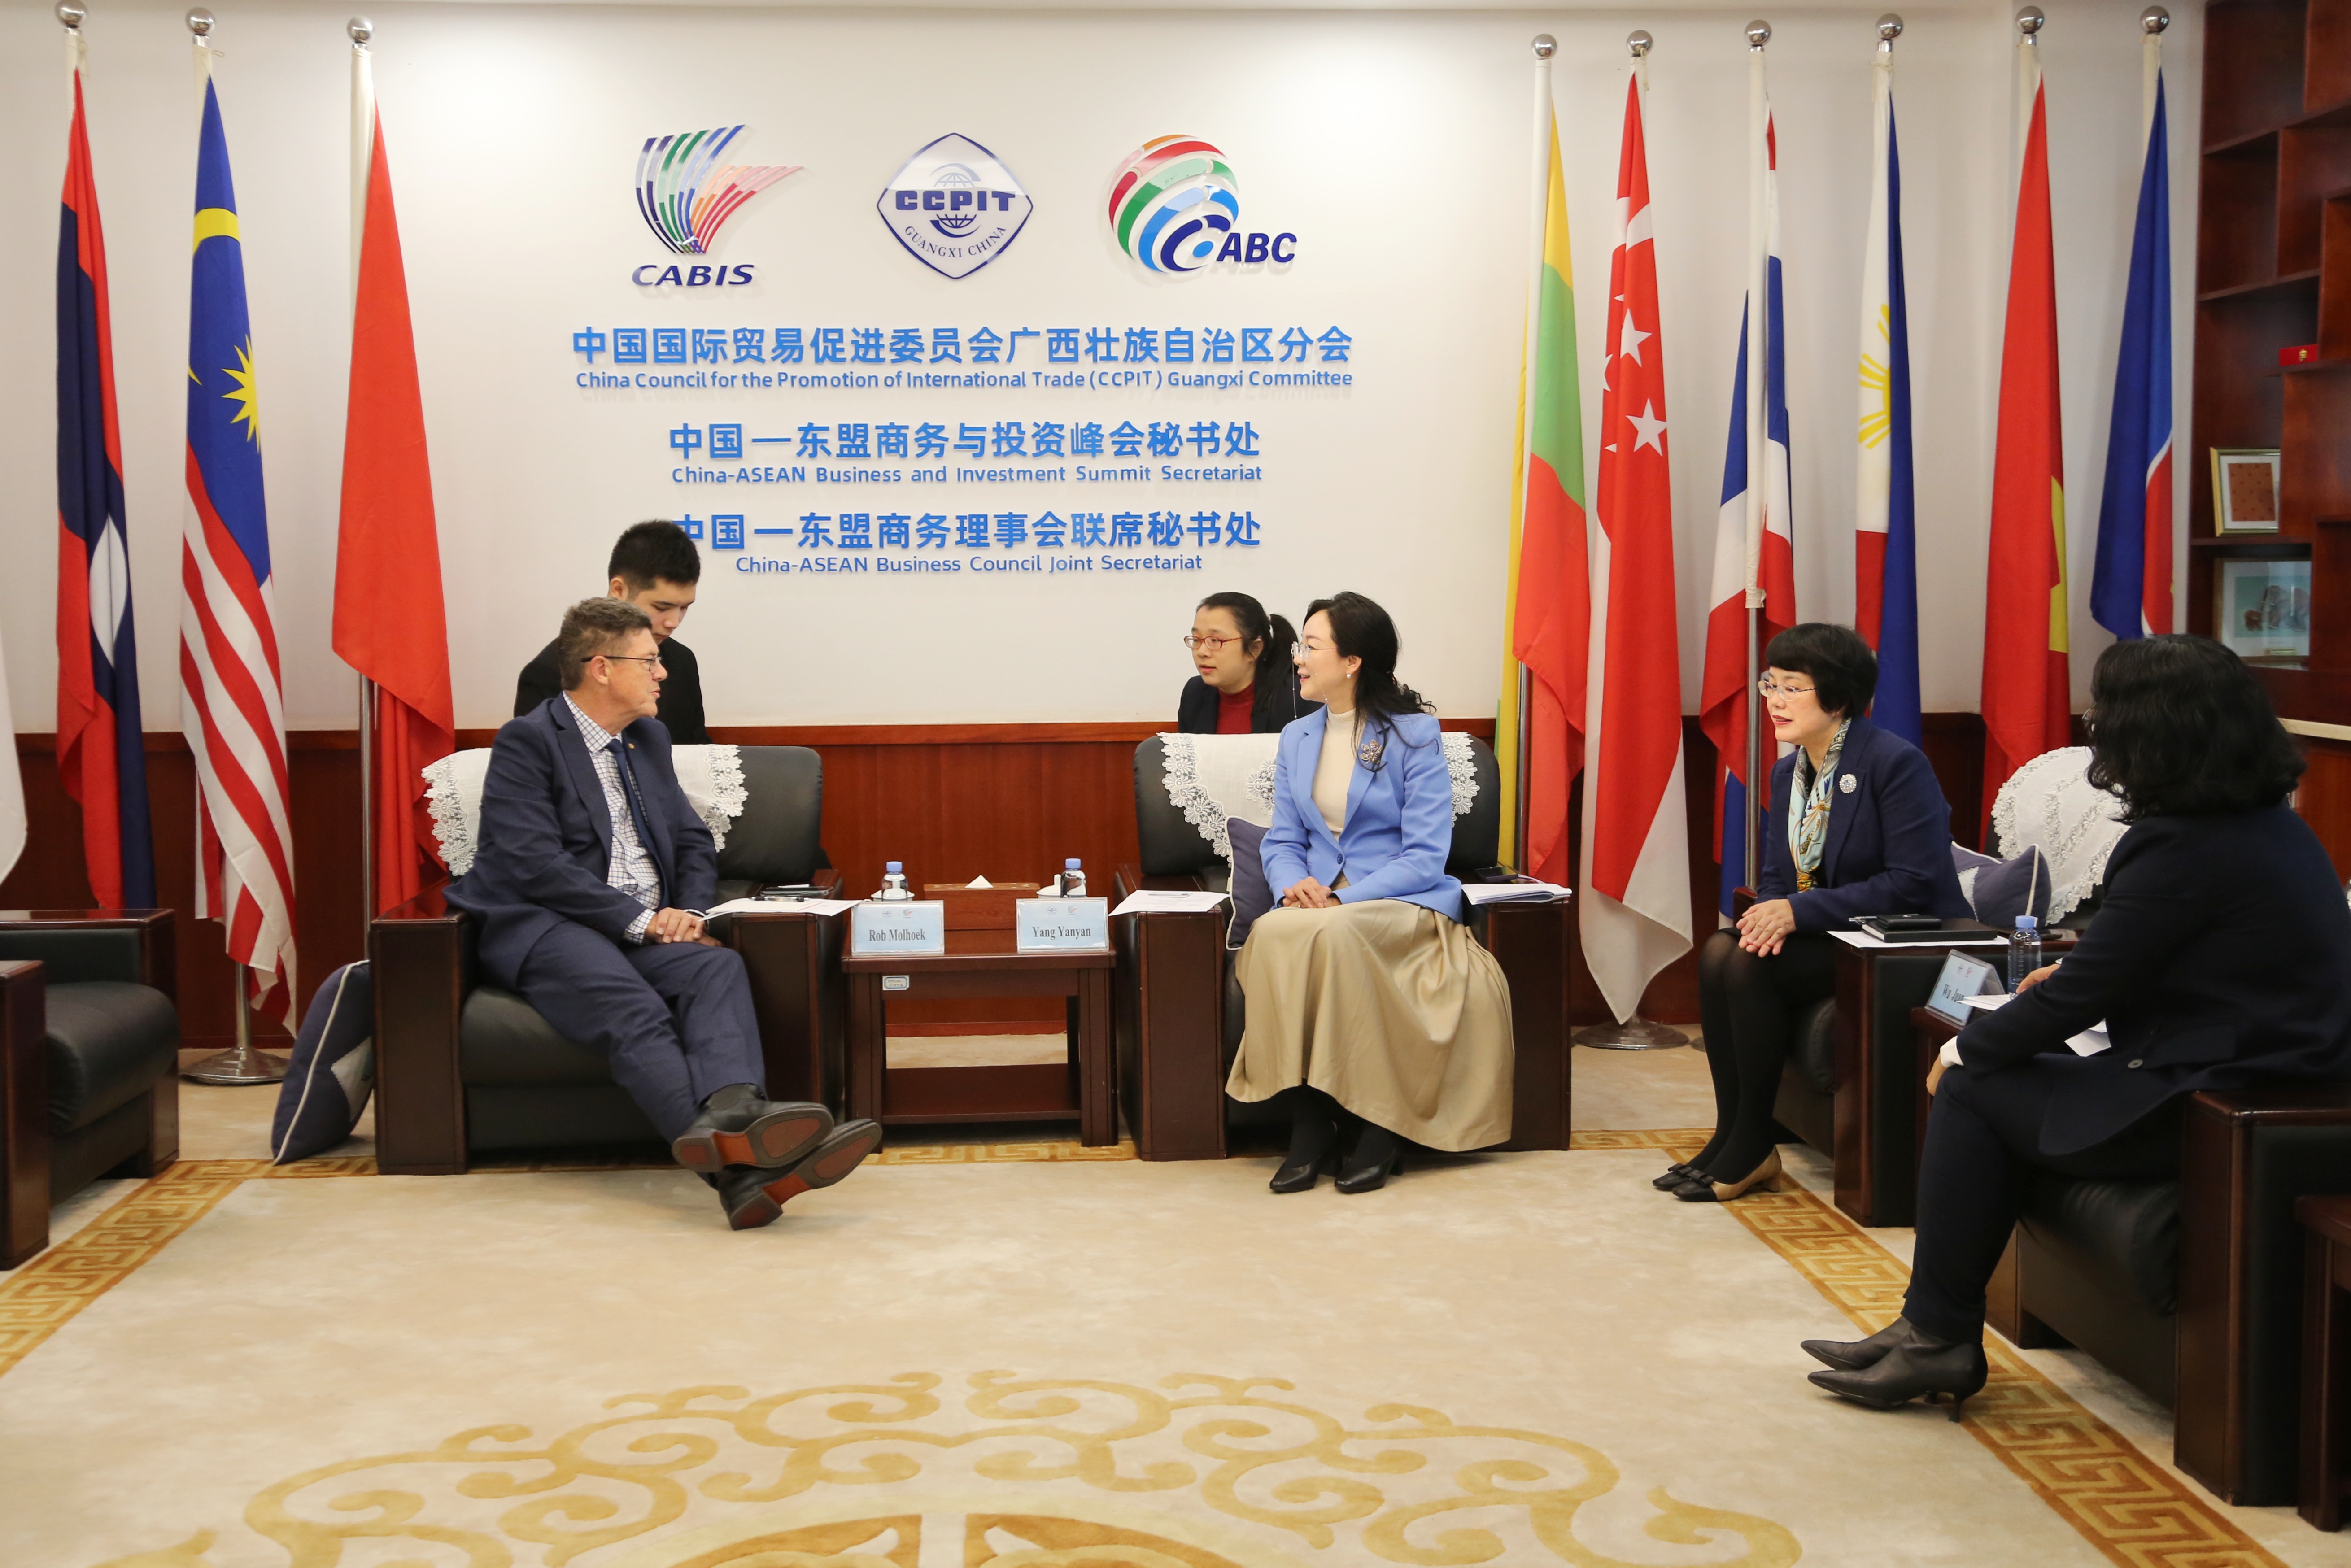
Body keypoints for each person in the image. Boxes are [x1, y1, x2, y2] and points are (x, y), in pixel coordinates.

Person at [1802, 635, 2351, 1416]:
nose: (2097, 728)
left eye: (2106, 712)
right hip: (2246, 1061)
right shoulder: (2259, 821)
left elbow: (2080, 999)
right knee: (1992, 1079)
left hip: (2219, 1093)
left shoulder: (2183, 843)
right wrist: (2073, 977)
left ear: (2151, 728)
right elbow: (2176, 954)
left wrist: (1963, 1046)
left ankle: (1937, 1337)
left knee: (1972, 1087)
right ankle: (1927, 1328)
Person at [450, 597, 881, 1230]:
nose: (662, 673)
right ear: (601, 668)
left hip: (643, 926)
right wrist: (642, 920)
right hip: (549, 925)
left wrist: (689, 911)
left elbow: (690, 840)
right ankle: (744, 1169)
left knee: (717, 969)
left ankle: (739, 1125)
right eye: (649, 661)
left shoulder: (647, 738)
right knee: (634, 1009)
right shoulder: (529, 742)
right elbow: (533, 864)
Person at [1226, 591, 1513, 1193]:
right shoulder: (1298, 737)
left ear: (1352, 661)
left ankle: (1378, 1126)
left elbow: (1425, 856)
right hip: (1317, 905)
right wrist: (1293, 883)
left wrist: (1342, 900)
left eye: (1311, 646)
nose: (1298, 658)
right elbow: (1283, 839)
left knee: (1331, 934)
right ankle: (1312, 1123)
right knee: (1273, 932)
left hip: (1399, 902)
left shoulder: (1414, 736)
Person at [1676, 623, 1968, 1203]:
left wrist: (1797, 911)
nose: (1775, 701)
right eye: (1770, 684)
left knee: (1747, 965)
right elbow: (1777, 878)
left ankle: (1753, 1143)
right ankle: (1732, 1135)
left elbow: (1913, 882)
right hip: (1834, 933)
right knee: (1720, 951)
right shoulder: (1789, 772)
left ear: (1836, 698)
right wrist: (1770, 914)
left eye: (1792, 687)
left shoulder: (1894, 763)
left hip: (1903, 944)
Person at [516, 521, 710, 744]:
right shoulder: (548, 672)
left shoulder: (682, 661)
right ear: (618, 590)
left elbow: (697, 749)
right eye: (661, 607)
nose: (674, 623)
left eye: (684, 608)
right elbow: (540, 758)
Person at [1175, 591, 1317, 734]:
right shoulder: (1194, 693)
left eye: (1215, 641)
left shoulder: (1298, 699)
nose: (1202, 652)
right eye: (1196, 639)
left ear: (1255, 649)